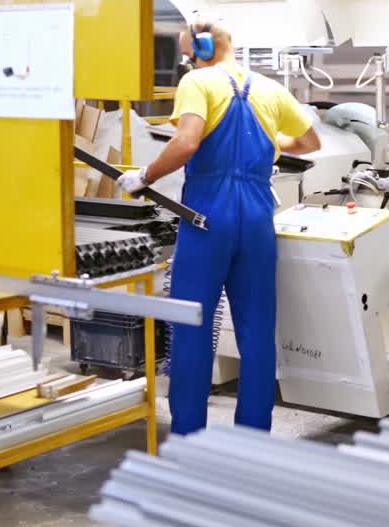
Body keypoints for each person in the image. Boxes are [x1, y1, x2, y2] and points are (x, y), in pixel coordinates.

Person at [117, 22, 320, 436]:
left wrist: (145, 176)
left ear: (202, 48)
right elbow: (311, 143)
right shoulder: (271, 88)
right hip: (258, 216)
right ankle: (252, 437)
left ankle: (190, 436)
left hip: (207, 215)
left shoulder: (197, 81)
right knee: (257, 329)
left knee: (192, 325)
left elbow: (187, 142)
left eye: (187, 53)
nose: (186, 61)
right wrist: (273, 147)